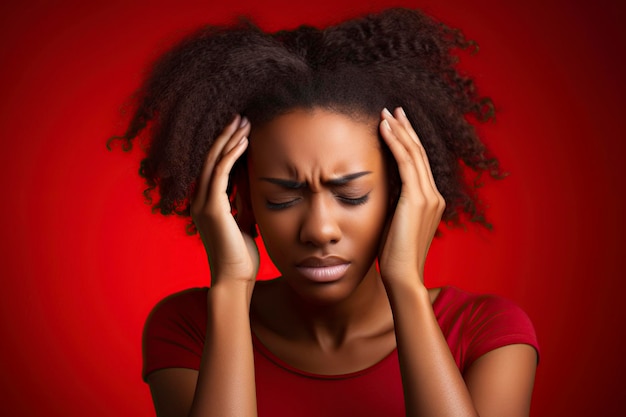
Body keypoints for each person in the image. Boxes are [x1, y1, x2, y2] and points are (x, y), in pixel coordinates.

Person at [110, 8, 539, 417]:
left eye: (351, 195)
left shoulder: (485, 331)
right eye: (282, 199)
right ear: (238, 199)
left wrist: (406, 285)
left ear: (403, 191)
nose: (319, 230)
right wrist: (230, 286)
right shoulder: (189, 328)